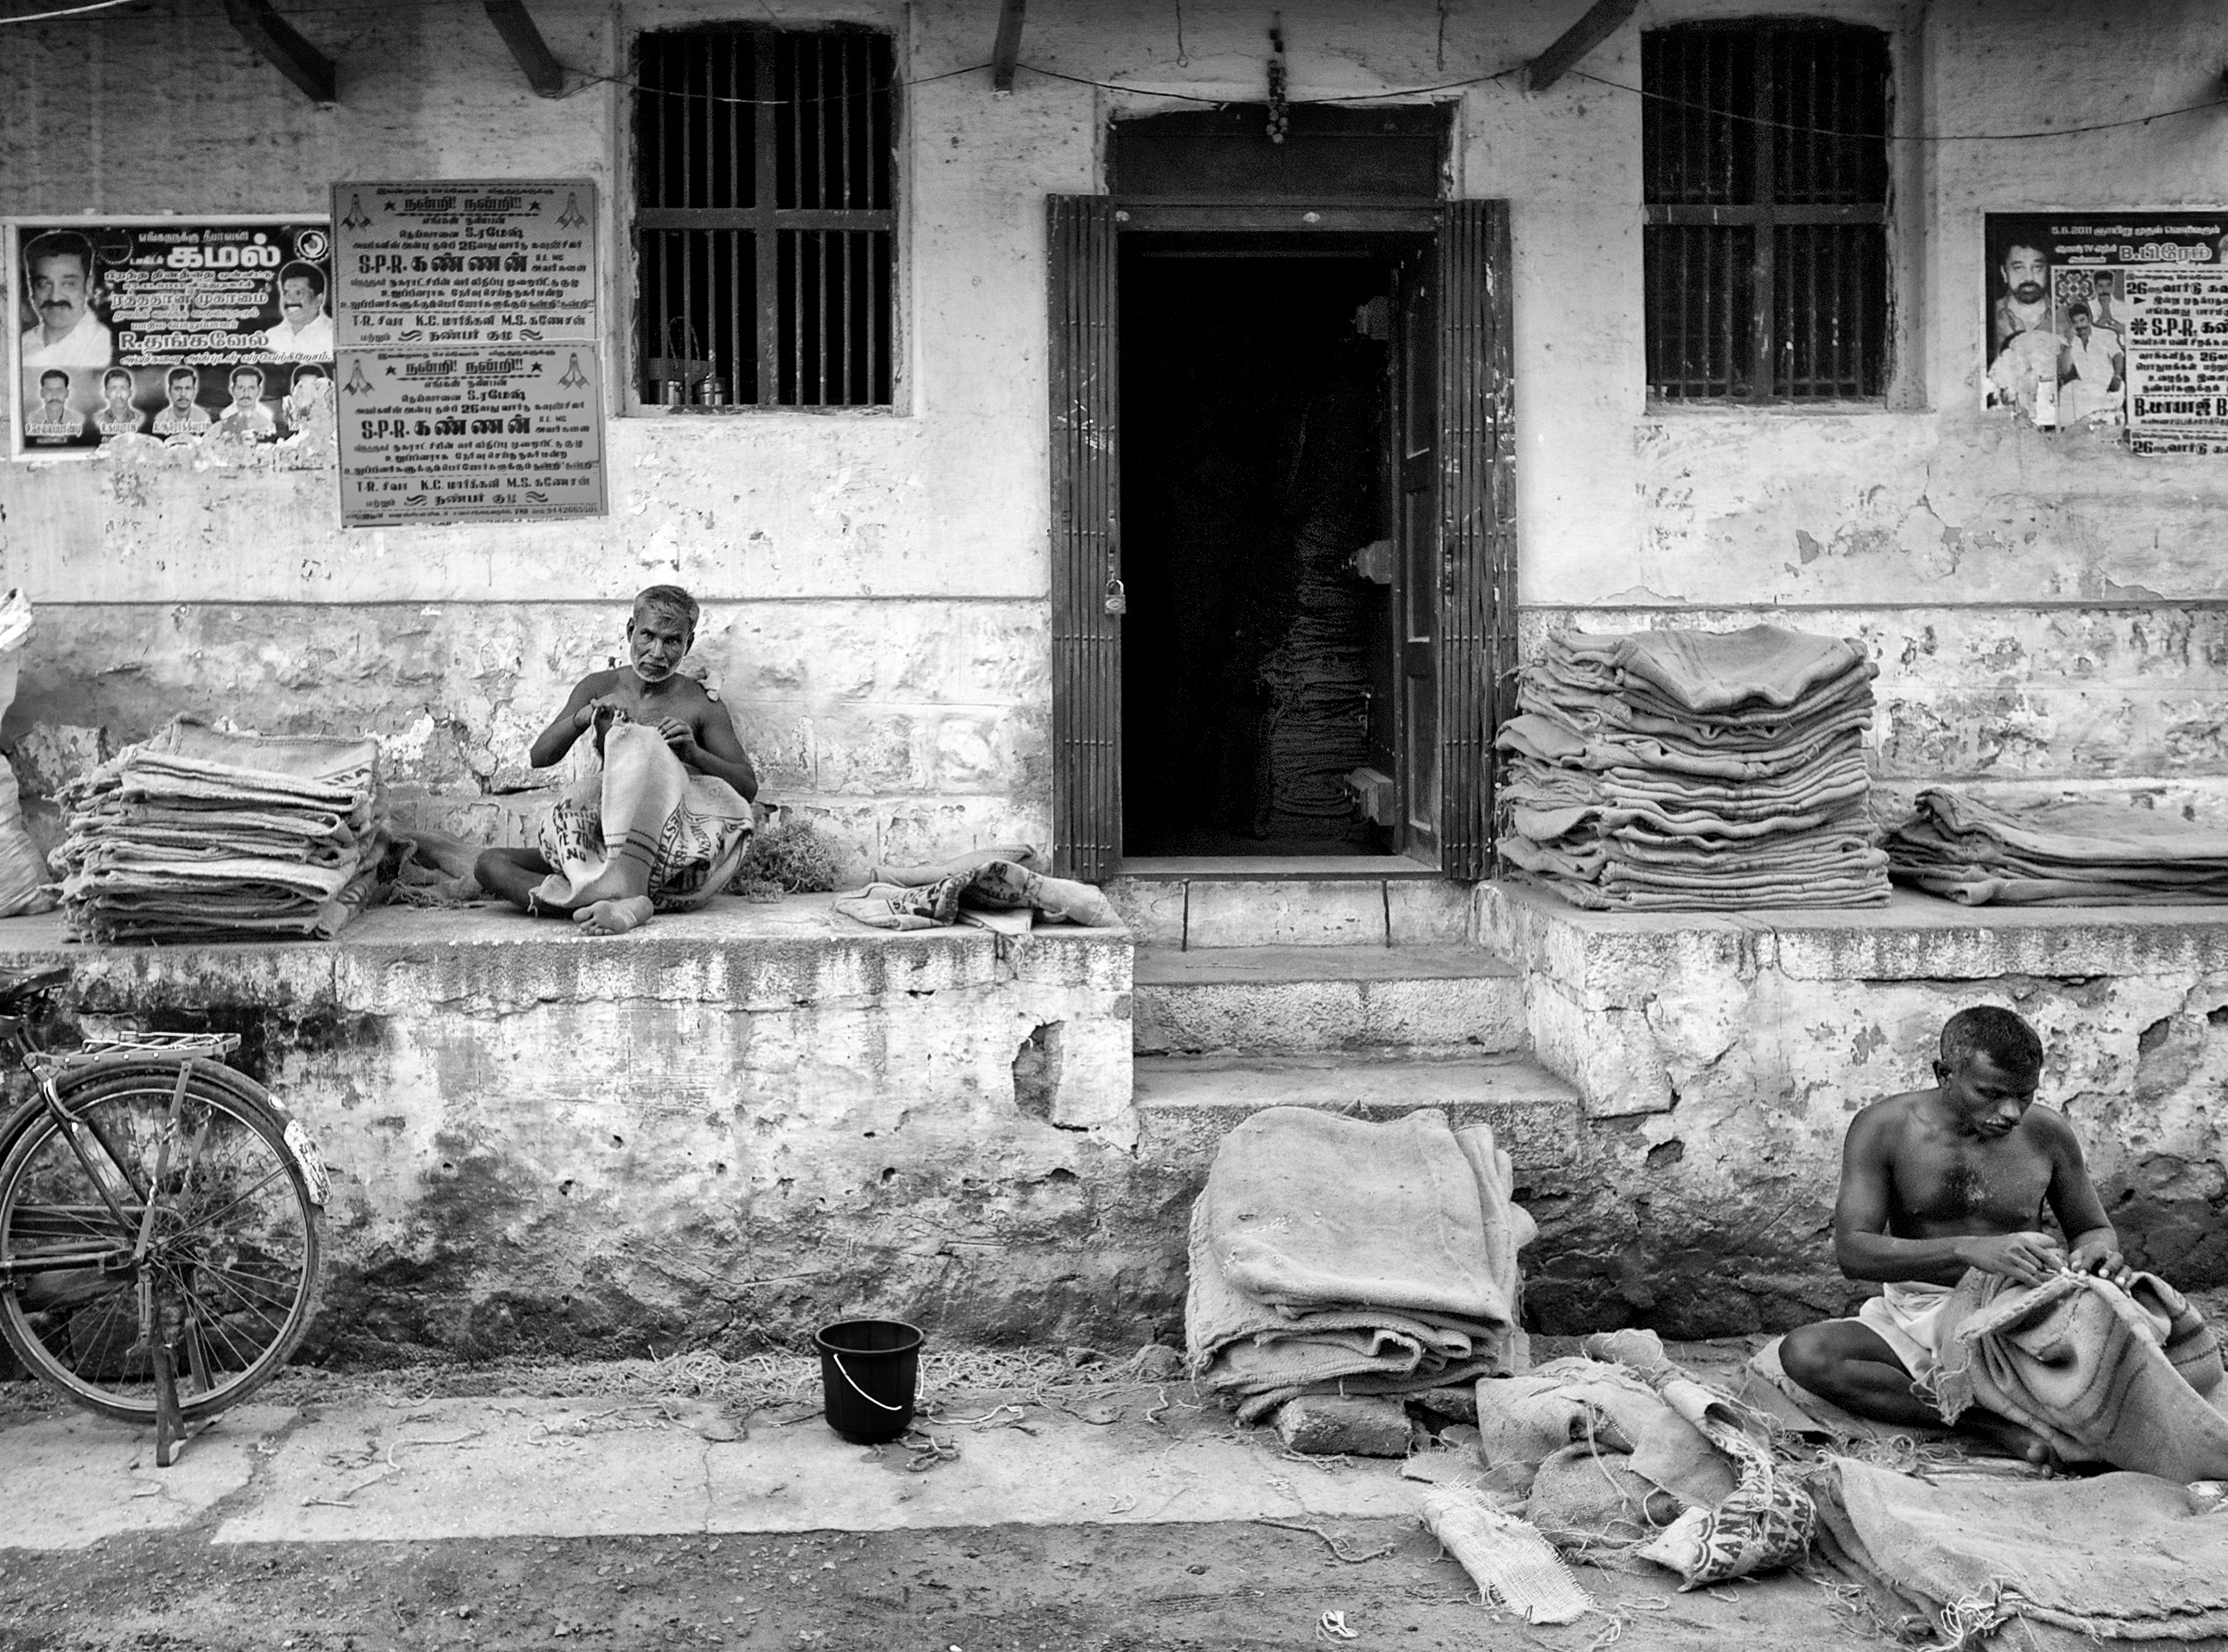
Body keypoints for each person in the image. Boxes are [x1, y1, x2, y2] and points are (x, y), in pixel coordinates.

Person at [1779, 1007, 2137, 1464]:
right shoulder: (1884, 1128)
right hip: (1920, 1313)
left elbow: (2091, 1228)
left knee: (2134, 1337)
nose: (2010, 1112)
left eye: (2024, 1095)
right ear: (1944, 1074)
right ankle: (1992, 1425)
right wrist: (1969, 1250)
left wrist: (2099, 1255)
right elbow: (1854, 1252)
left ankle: (2022, 1400)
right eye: (1990, 1093)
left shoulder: (2046, 1132)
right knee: (1807, 1353)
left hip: (2021, 1314)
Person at [475, 585, 759, 935]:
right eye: (648, 636)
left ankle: (610, 894)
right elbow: (540, 757)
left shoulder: (701, 704)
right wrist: (582, 719)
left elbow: (747, 787)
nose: (657, 652)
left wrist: (693, 754)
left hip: (665, 854)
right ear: (630, 632)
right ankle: (620, 903)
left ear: (688, 644)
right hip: (600, 836)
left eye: (672, 641)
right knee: (490, 865)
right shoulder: (598, 686)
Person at [18, 231, 112, 369]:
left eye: (68, 284)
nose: (55, 297)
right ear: (32, 289)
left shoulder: (104, 344)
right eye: (44, 285)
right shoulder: (20, 345)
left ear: (88, 286)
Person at [2060, 301, 2126, 426]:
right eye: (2075, 322)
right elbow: (2065, 370)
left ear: (2089, 318)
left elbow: (2118, 356)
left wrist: (2117, 376)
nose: (2080, 325)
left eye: (2082, 320)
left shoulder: (2105, 334)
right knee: (2067, 392)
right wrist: (2069, 342)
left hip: (2108, 386)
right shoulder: (2072, 341)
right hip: (2087, 390)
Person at [259, 262, 332, 358]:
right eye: (286, 293)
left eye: (299, 293)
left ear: (319, 299)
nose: (290, 299)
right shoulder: (272, 336)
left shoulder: (333, 335)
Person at [214, 365, 276, 441]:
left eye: (252, 388)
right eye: (241, 388)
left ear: (259, 390)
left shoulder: (267, 415)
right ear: (232, 390)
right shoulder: (224, 416)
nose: (246, 394)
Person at [22, 369, 83, 441]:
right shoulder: (31, 420)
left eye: (59, 390)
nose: (54, 396)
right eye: (49, 390)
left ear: (67, 393)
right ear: (42, 393)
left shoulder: (78, 420)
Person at [151, 366, 210, 439]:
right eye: (178, 389)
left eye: (188, 388)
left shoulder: (203, 418)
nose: (183, 394)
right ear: (169, 391)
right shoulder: (160, 419)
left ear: (194, 391)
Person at [91, 366, 143, 438]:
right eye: (113, 388)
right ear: (106, 393)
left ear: (130, 393)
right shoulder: (98, 419)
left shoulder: (140, 418)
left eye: (123, 388)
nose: (118, 395)